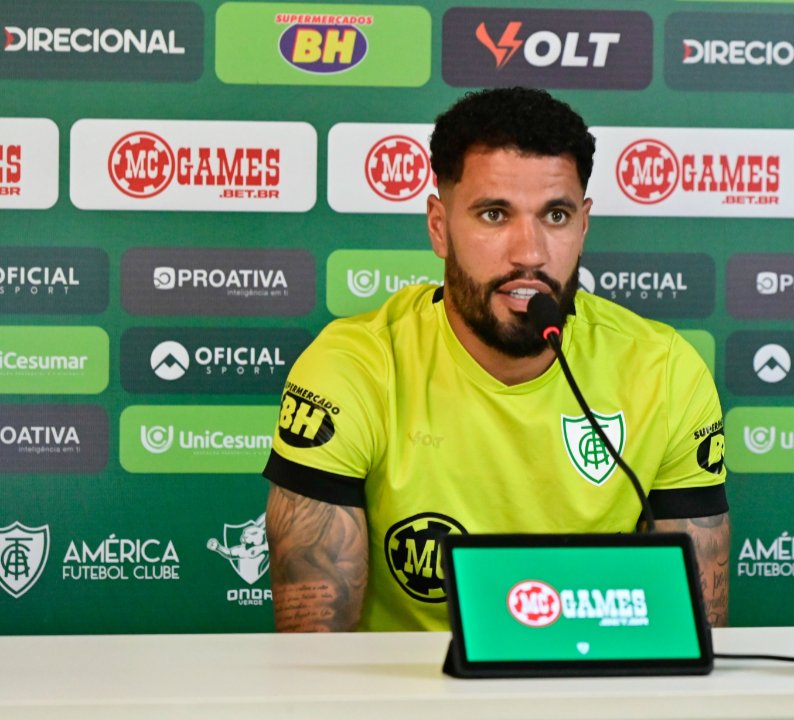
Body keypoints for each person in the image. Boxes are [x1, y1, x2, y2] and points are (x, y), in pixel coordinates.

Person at [262, 87, 729, 632]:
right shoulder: (354, 367)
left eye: (555, 215)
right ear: (439, 226)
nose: (529, 252)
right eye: (493, 214)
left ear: (583, 225)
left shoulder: (665, 370)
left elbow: (688, 635)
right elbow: (316, 651)